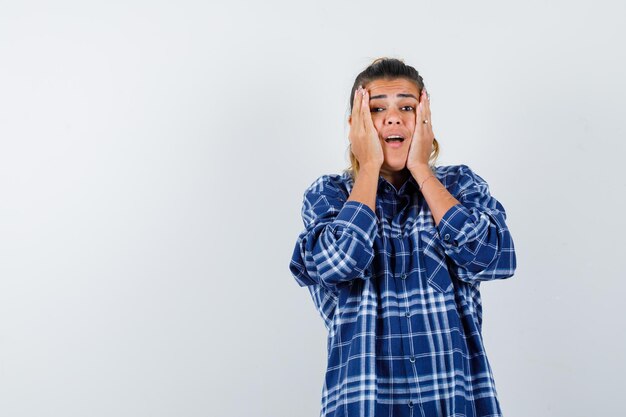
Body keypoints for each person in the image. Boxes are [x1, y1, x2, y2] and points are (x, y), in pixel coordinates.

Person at [288, 57, 517, 417]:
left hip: (455, 403)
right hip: (365, 404)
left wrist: (422, 169)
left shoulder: (460, 185)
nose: (393, 118)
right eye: (377, 109)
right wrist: (369, 167)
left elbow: (493, 258)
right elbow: (340, 259)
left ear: (425, 121)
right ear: (354, 126)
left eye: (407, 107)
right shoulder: (328, 195)